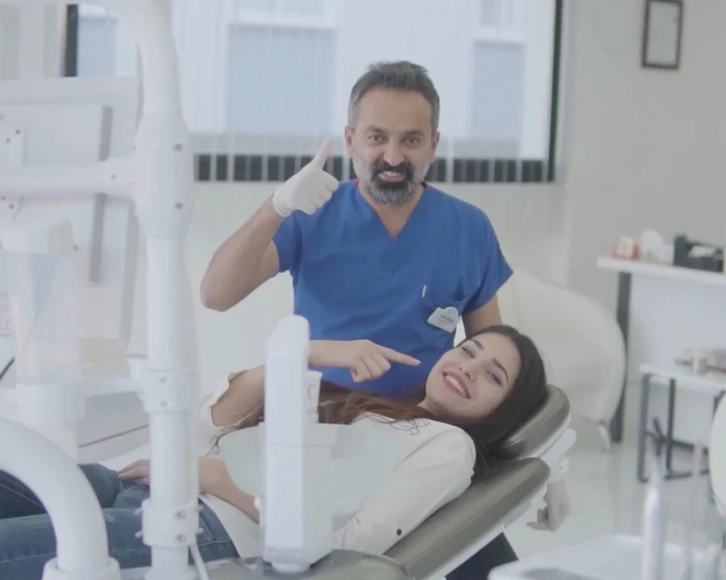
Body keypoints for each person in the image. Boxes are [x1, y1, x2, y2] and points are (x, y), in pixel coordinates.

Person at [200, 60, 520, 577]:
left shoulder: (468, 230)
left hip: (411, 440)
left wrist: (532, 467)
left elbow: (497, 357)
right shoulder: (315, 214)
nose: (392, 156)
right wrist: (276, 206)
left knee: (487, 559)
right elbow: (215, 294)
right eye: (376, 137)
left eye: (411, 140)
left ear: (434, 145)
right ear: (350, 140)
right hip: (319, 431)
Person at [0, 326, 546, 580]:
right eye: (468, 350)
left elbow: (350, 545)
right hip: (158, 487)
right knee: (22, 471)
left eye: (492, 375)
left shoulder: (449, 447)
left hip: (209, 526)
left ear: (503, 411)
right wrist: (303, 354)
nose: (468, 368)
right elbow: (212, 425)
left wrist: (216, 479)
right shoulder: (378, 410)